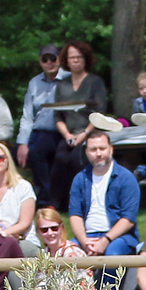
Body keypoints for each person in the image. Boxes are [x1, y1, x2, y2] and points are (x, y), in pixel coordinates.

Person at [65, 127, 140, 264]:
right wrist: (84, 241)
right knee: (67, 255)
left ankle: (107, 287)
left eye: (102, 148)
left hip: (119, 237)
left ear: (111, 149)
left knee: (111, 256)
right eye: (93, 150)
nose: (98, 153)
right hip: (87, 236)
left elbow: (128, 219)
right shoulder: (80, 179)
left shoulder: (126, 178)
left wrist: (106, 240)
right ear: (86, 152)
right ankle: (82, 287)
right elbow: (75, 215)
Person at [49, 41, 109, 201]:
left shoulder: (95, 82)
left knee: (76, 159)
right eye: (72, 58)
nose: (75, 61)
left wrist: (84, 134)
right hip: (69, 135)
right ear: (66, 61)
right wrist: (67, 135)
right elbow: (57, 116)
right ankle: (55, 203)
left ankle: (83, 199)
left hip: (90, 133)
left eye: (79, 57)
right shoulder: (62, 85)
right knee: (60, 158)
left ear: (85, 59)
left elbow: (100, 113)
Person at [18, 44, 65, 198]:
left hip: (65, 132)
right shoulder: (34, 83)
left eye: (53, 58)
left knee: (64, 159)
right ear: (40, 62)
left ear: (60, 60)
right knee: (36, 151)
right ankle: (45, 200)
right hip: (41, 132)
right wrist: (23, 143)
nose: (49, 62)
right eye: (45, 59)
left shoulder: (70, 80)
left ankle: (63, 199)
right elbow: (27, 115)